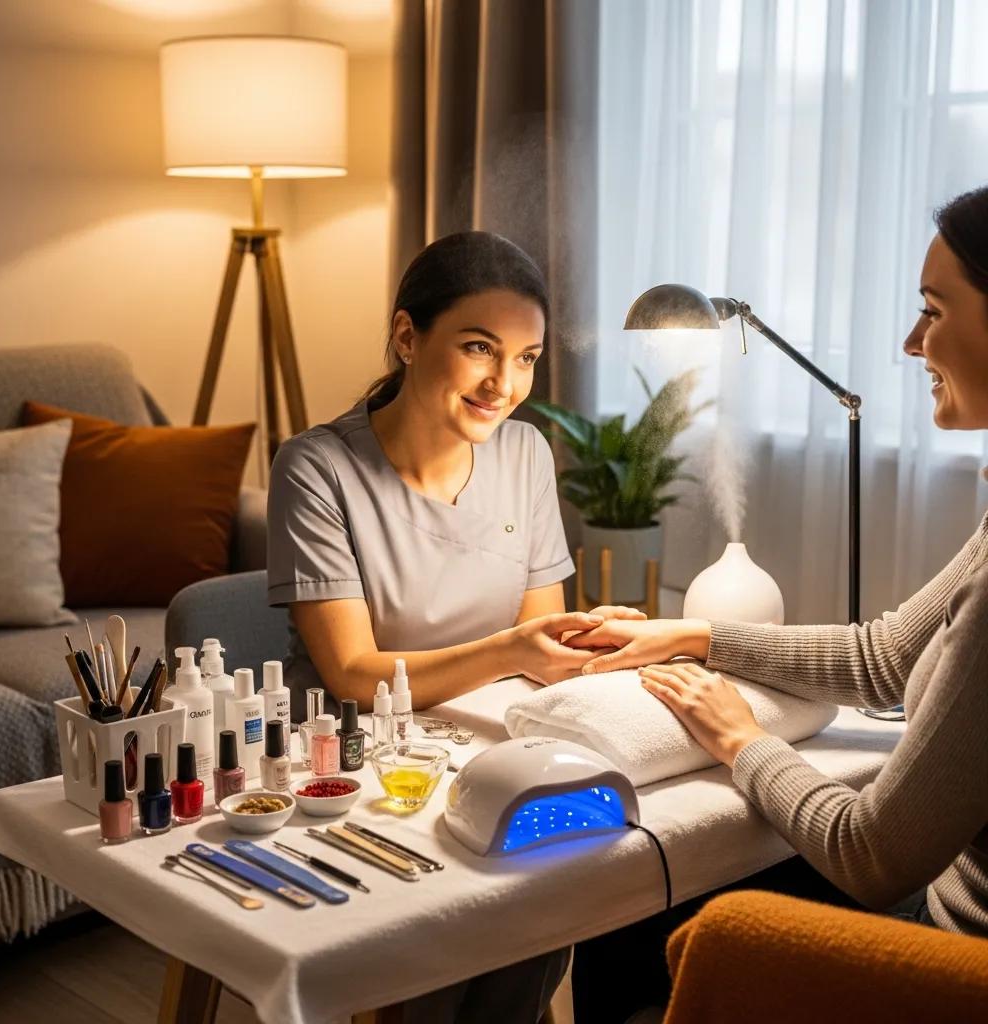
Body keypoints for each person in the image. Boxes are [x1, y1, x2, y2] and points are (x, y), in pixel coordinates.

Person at [567, 186, 988, 1020]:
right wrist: (692, 635)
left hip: (946, 969)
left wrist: (740, 737)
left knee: (627, 918)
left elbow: (872, 855)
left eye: (933, 312)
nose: (911, 342)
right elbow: (884, 658)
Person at [267, 230, 626, 1022]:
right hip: (355, 765)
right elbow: (351, 674)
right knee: (447, 928)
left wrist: (593, 638)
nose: (505, 384)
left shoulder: (524, 453)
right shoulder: (316, 469)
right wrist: (514, 651)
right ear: (407, 337)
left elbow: (541, 648)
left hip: (482, 749)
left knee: (565, 872)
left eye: (527, 358)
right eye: (479, 348)